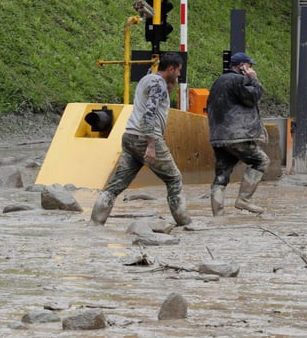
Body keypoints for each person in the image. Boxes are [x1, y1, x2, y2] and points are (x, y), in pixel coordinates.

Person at [90, 52, 192, 226]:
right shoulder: (158, 84)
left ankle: (94, 223)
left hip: (129, 136)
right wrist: (151, 145)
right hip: (146, 137)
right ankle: (185, 222)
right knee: (174, 178)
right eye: (178, 71)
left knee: (115, 186)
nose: (179, 75)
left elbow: (154, 99)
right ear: (170, 68)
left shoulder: (148, 79)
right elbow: (149, 114)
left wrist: (172, 85)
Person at [206, 51, 269, 215]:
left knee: (222, 174)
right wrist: (254, 79)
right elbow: (253, 97)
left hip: (218, 136)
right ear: (242, 67)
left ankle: (217, 215)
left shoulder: (218, 81)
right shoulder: (239, 80)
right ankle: (244, 200)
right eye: (249, 66)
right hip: (237, 135)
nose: (251, 69)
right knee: (261, 161)